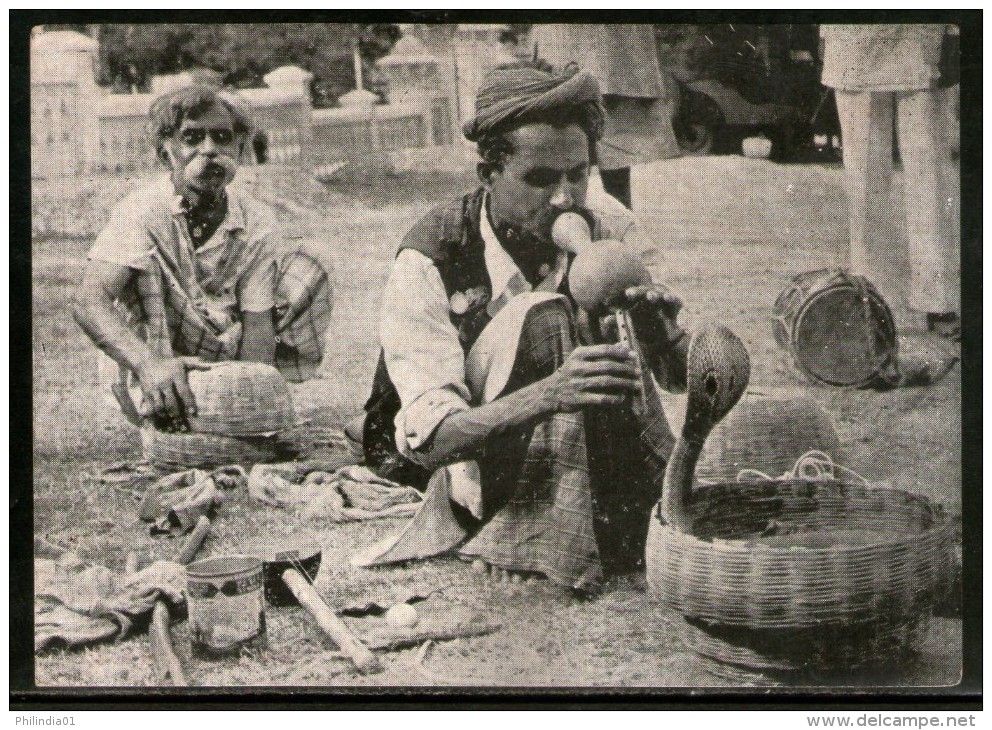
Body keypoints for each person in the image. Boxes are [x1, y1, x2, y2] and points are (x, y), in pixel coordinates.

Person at [357, 63, 689, 593]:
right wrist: (550, 394)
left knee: (569, 319)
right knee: (546, 314)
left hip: (587, 442)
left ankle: (619, 511)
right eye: (539, 179)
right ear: (488, 175)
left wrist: (660, 334)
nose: (563, 197)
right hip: (460, 454)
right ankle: (525, 531)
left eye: (576, 175)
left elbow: (674, 381)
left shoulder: (611, 225)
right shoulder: (428, 256)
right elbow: (430, 441)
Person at [74, 86, 332, 427]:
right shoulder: (142, 210)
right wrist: (149, 366)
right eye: (192, 138)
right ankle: (161, 401)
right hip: (153, 361)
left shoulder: (255, 220)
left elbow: (258, 327)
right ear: (166, 153)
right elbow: (88, 300)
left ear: (239, 151)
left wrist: (249, 398)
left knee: (307, 267)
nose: (209, 150)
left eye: (222, 137)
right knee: (145, 266)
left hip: (225, 360)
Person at [821, 24, 960, 341]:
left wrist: (954, 29)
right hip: (853, 35)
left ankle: (938, 299)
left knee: (931, 174)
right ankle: (870, 297)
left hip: (920, 32)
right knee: (863, 177)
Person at [530, 24, 680, 209]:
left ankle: (617, 216)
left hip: (610, 50)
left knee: (611, 137)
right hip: (569, 43)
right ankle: (562, 211)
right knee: (557, 129)